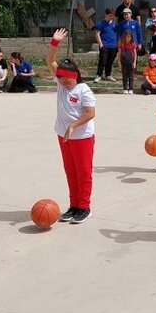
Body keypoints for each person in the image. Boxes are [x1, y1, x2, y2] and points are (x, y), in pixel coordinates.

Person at [46, 28, 96, 225]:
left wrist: (74, 125)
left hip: (82, 137)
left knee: (83, 173)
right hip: (63, 136)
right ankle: (74, 205)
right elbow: (50, 60)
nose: (63, 81)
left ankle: (84, 207)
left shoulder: (84, 90)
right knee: (71, 173)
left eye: (66, 78)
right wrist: (54, 42)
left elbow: (90, 113)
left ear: (75, 75)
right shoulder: (61, 85)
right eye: (60, 77)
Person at [94, 9, 120, 83]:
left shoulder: (114, 24)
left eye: (112, 16)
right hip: (105, 45)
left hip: (113, 46)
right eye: (110, 15)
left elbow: (117, 34)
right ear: (106, 15)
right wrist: (101, 44)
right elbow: (97, 33)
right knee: (103, 61)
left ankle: (108, 75)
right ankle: (99, 75)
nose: (111, 17)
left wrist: (117, 44)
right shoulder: (101, 23)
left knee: (110, 61)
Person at [118, 29, 138, 94]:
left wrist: (134, 62)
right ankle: (125, 88)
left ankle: (131, 88)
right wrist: (119, 63)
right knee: (124, 76)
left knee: (131, 76)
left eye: (129, 37)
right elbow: (119, 54)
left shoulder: (133, 44)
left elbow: (135, 54)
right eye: (127, 37)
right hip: (124, 62)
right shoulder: (122, 44)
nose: (128, 38)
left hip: (131, 62)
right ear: (124, 37)